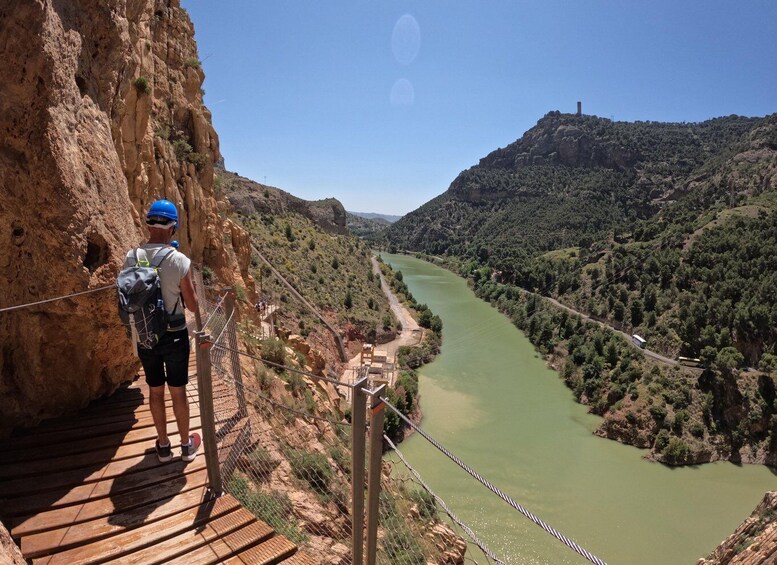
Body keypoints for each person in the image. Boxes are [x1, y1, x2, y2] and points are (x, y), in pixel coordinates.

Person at [124, 199, 201, 463]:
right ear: (172, 228)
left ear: (148, 223)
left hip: (145, 334)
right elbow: (191, 304)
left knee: (155, 390)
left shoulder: (131, 257)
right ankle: (186, 445)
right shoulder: (179, 260)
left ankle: (163, 445)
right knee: (177, 390)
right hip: (174, 333)